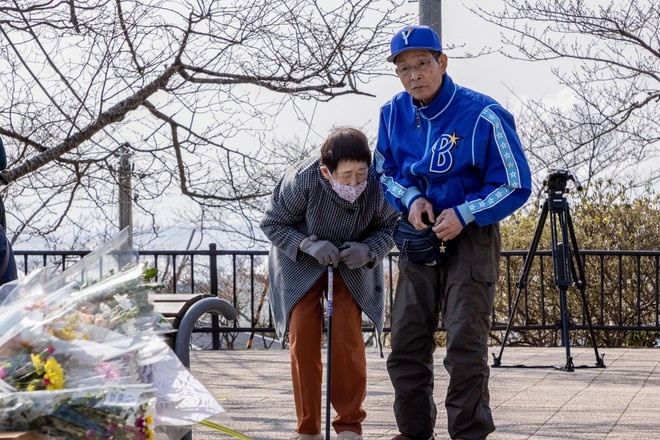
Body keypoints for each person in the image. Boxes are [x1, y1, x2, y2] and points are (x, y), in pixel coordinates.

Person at [374, 25, 532, 440]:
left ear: (442, 62)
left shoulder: (484, 113)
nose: (414, 75)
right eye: (404, 68)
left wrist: (465, 212)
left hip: (471, 236)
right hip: (418, 235)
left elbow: (514, 183)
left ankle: (468, 433)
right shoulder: (391, 114)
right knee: (406, 340)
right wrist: (410, 199)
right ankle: (412, 433)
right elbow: (383, 171)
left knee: (464, 343)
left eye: (422, 64)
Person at [260, 126, 398, 440]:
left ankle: (349, 424)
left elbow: (391, 225)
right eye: (345, 175)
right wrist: (307, 245)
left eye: (361, 173)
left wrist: (369, 250)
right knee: (304, 340)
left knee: (346, 339)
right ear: (326, 171)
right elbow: (272, 222)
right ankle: (308, 427)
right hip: (300, 262)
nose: (354, 183)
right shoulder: (304, 179)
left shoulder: (378, 181)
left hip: (352, 261)